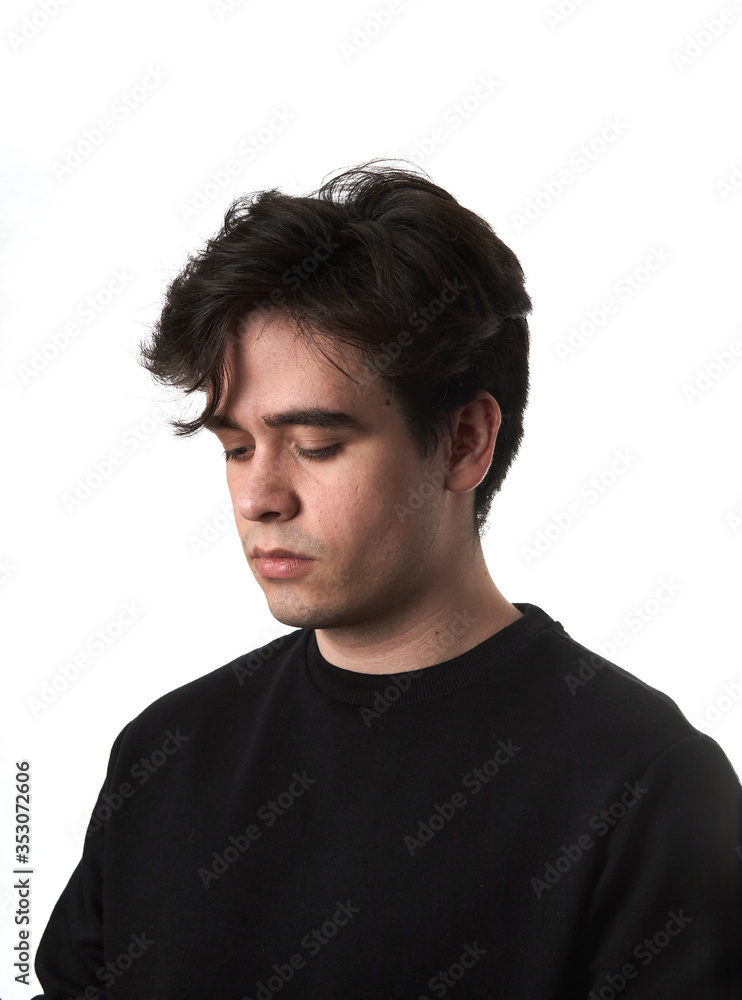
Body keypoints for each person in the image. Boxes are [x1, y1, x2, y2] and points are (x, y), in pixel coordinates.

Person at [33, 161, 742, 999]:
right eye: (235, 447)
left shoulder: (646, 786)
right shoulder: (165, 753)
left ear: (465, 442)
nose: (259, 497)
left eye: (316, 444)